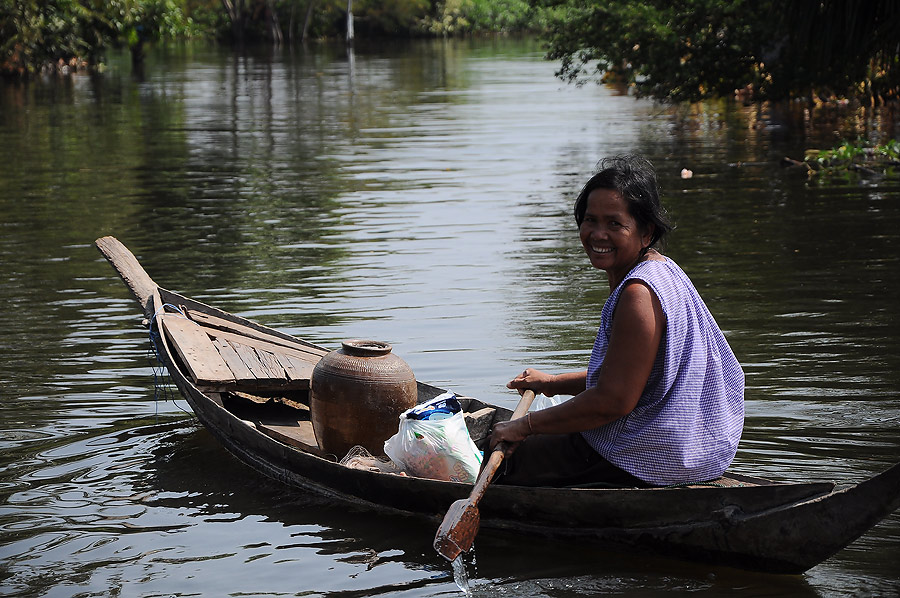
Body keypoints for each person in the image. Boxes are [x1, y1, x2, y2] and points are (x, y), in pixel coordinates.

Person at [490, 155, 744, 487]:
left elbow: (614, 400)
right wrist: (552, 383)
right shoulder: (663, 268)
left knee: (492, 454)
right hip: (699, 454)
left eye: (614, 224)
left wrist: (524, 426)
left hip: (650, 456)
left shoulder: (638, 293)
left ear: (645, 232)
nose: (598, 234)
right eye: (590, 220)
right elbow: (640, 375)